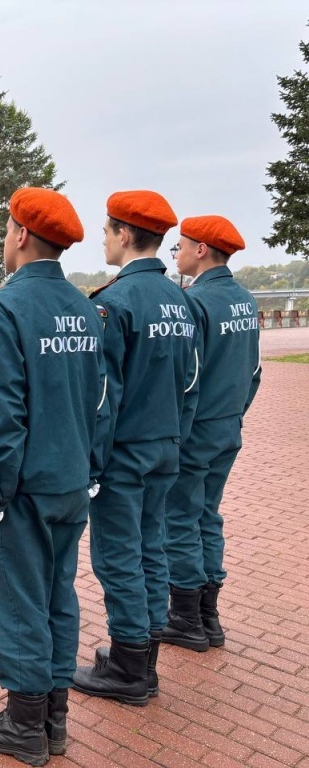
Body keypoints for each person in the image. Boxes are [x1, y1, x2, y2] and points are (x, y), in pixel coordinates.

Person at [0, 188, 103, 767]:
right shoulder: (86, 308)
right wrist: (92, 470)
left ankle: (22, 725)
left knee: (17, 599)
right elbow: (101, 401)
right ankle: (53, 718)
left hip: (22, 485)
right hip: (71, 479)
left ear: (20, 234)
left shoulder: (4, 308)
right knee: (57, 596)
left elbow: (1, 413)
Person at [73, 191, 197, 706]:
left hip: (125, 451)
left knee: (119, 556)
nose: (102, 238)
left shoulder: (113, 303)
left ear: (125, 235)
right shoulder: (182, 301)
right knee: (152, 549)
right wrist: (178, 437)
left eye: (106, 230)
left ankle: (129, 667)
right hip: (167, 444)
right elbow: (192, 382)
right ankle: (141, 657)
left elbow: (104, 395)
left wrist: (94, 463)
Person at [161, 216, 260, 651]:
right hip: (226, 428)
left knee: (180, 517)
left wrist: (177, 435)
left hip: (196, 430)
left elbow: (188, 379)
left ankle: (186, 617)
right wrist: (234, 415)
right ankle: (208, 616)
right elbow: (254, 372)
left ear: (201, 249)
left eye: (178, 246)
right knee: (208, 515)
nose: (176, 253)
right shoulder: (244, 299)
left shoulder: (195, 302)